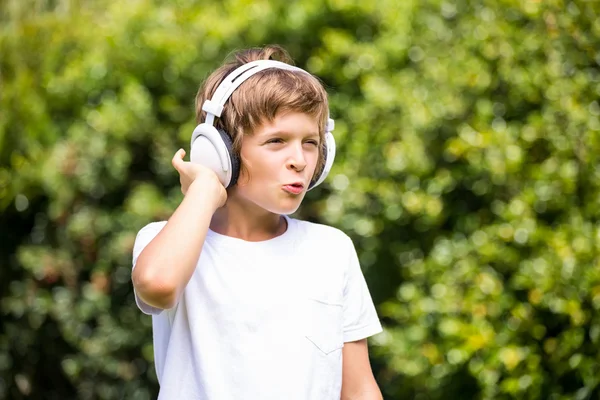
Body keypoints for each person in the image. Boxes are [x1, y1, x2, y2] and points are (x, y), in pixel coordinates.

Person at [131, 45, 383, 400]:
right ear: (222, 151)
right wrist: (205, 187)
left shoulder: (332, 250)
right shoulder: (168, 241)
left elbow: (359, 390)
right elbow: (157, 284)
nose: (299, 160)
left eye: (310, 143)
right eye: (276, 141)